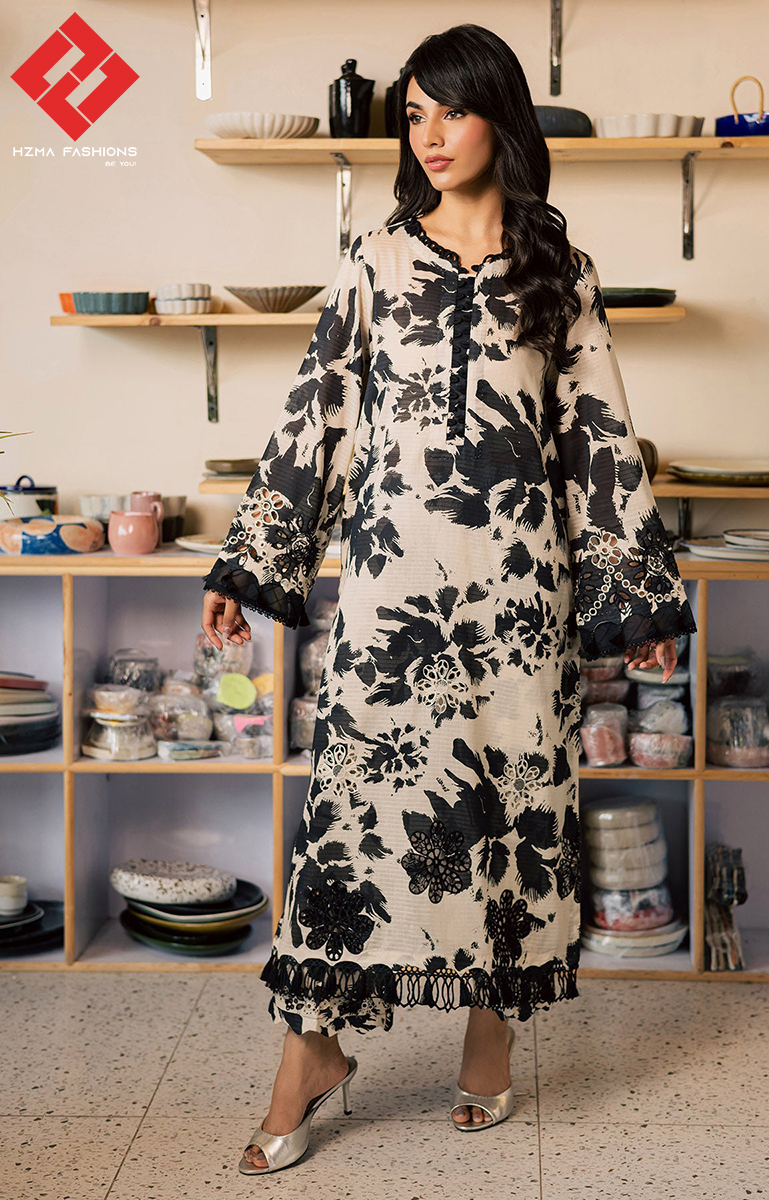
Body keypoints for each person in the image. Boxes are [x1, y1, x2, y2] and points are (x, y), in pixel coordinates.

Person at [200, 22, 697, 1175]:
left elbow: (596, 438)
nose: (428, 135)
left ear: (498, 118)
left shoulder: (558, 271)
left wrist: (633, 600)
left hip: (520, 605)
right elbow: (316, 417)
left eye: (451, 111)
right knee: (350, 824)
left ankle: (489, 1035)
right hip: (390, 602)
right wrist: (250, 565)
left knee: (509, 819)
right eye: (413, 115)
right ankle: (308, 1054)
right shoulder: (375, 262)